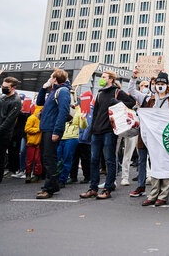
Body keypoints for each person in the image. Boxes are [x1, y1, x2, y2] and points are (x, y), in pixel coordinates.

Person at [79, 71, 135, 200]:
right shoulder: (99, 94)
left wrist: (117, 102)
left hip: (109, 131)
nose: (101, 79)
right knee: (94, 160)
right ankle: (93, 188)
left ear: (111, 79)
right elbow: (96, 114)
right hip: (97, 131)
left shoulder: (117, 92)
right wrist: (91, 131)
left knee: (110, 160)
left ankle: (108, 188)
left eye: (104, 77)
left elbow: (132, 103)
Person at [141, 72, 169, 207]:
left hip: (168, 137)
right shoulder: (151, 100)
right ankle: (153, 194)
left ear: (167, 85)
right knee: (155, 165)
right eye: (158, 84)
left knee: (165, 164)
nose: (160, 86)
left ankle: (163, 196)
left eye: (162, 84)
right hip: (153, 138)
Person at [35, 69, 71, 199]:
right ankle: (53, 184)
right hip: (46, 128)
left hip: (52, 129)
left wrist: (57, 131)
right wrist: (44, 87)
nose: (49, 79)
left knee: (50, 159)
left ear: (55, 79)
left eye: (51, 77)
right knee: (46, 158)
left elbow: (63, 112)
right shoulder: (54, 91)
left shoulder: (63, 92)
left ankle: (49, 188)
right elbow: (39, 103)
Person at [127, 73, 155, 198]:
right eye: (153, 84)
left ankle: (156, 188)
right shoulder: (145, 98)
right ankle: (141, 186)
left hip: (156, 136)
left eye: (158, 84)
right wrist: (133, 78)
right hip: (143, 134)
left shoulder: (166, 99)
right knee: (142, 160)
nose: (155, 86)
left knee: (155, 161)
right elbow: (131, 91)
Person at [57, 96, 88, 187]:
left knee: (67, 159)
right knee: (57, 159)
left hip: (72, 138)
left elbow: (83, 126)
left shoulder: (79, 111)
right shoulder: (63, 108)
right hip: (61, 137)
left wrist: (83, 119)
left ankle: (62, 180)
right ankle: (55, 179)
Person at [0, 77, 22, 187]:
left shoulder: (16, 101)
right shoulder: (2, 98)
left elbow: (9, 120)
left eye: (6, 87)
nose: (3, 88)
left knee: (0, 157)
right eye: (2, 86)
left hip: (4, 134)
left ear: (13, 88)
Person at [24, 105, 43, 184]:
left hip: (39, 143)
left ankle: (37, 176)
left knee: (38, 160)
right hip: (32, 143)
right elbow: (27, 129)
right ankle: (28, 175)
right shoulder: (31, 118)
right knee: (29, 160)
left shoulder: (42, 119)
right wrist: (38, 129)